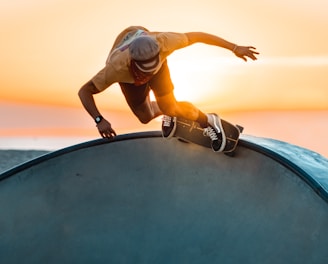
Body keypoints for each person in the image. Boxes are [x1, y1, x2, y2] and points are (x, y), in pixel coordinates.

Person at [78, 26, 259, 152]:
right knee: (145, 117)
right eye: (144, 73)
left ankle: (209, 121)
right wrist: (99, 119)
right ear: (132, 65)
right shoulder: (116, 68)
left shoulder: (164, 42)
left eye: (151, 72)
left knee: (170, 107)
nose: (147, 78)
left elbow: (198, 36)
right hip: (129, 76)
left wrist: (234, 47)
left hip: (150, 52)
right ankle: (166, 109)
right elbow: (84, 91)